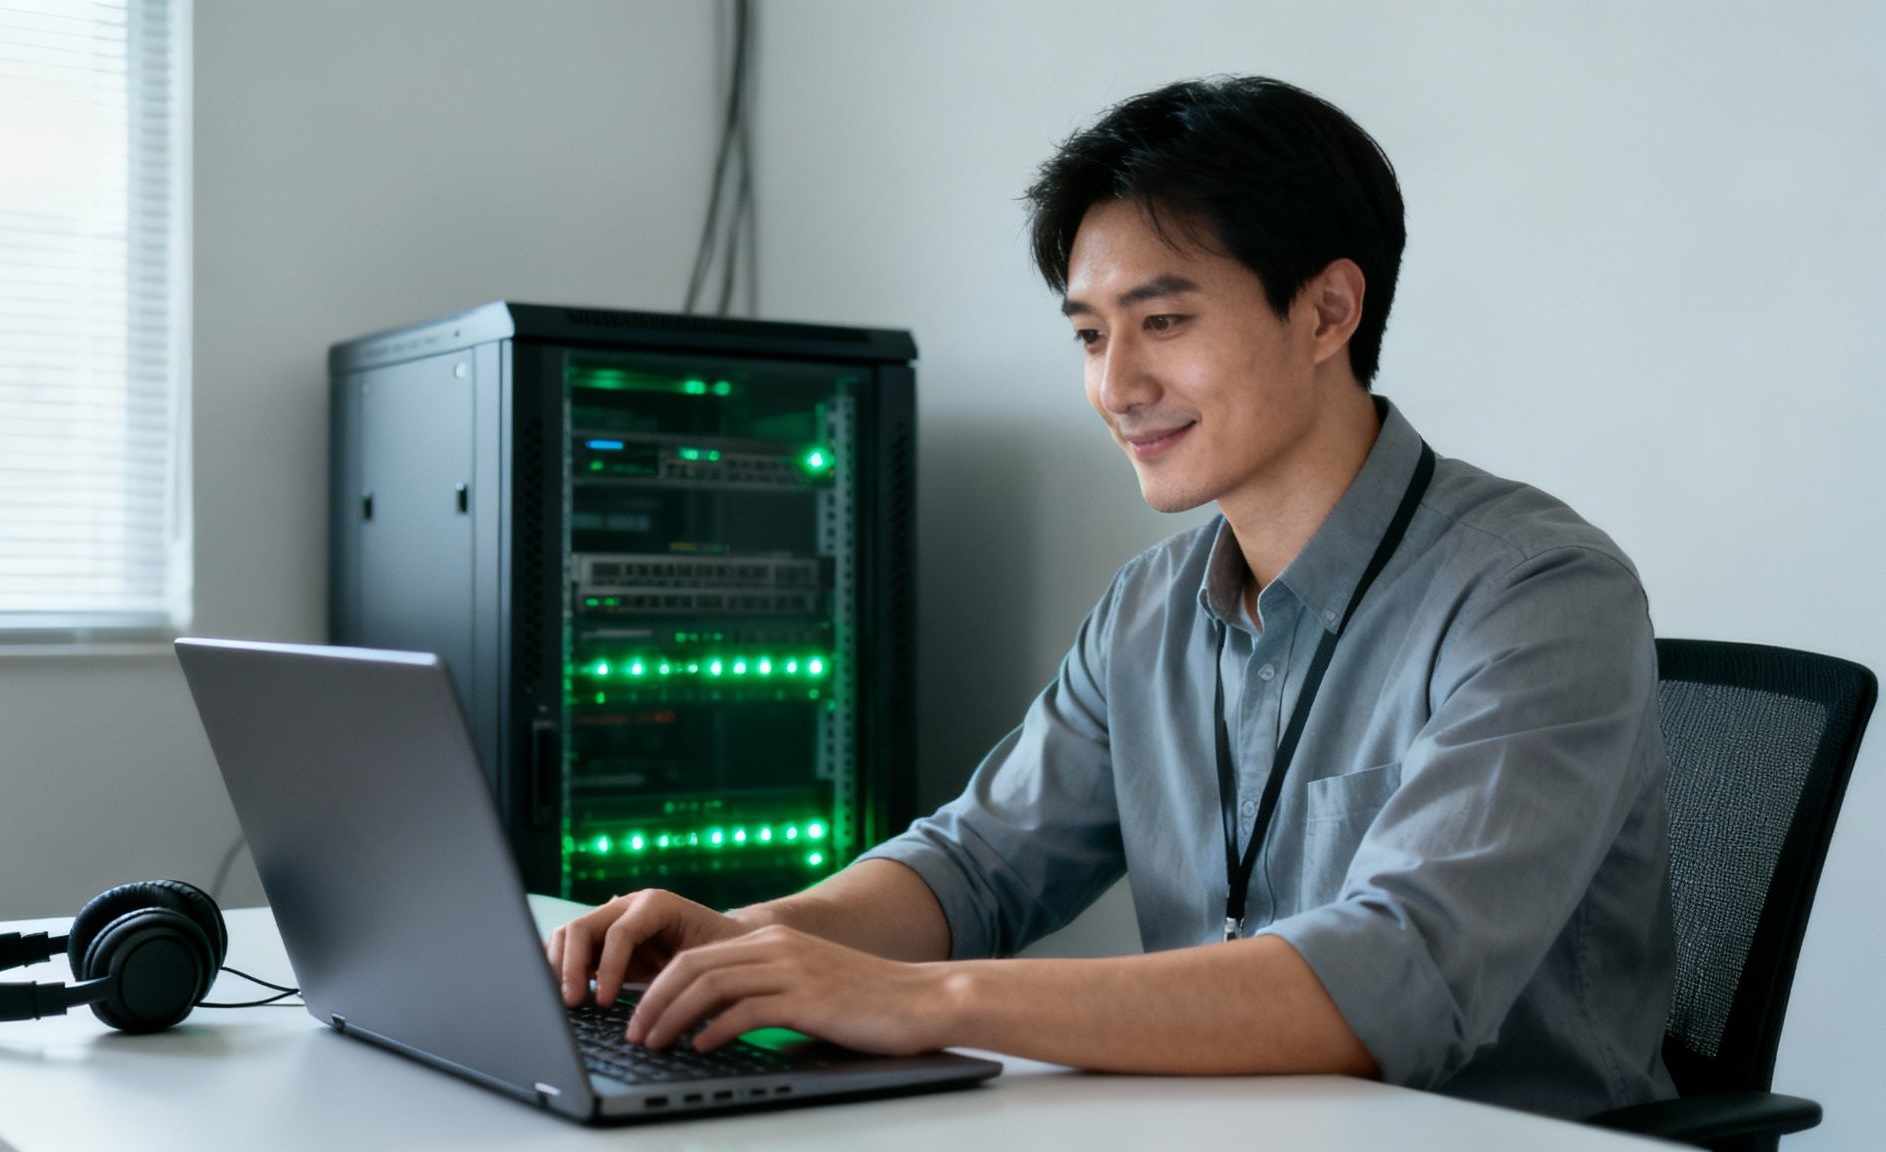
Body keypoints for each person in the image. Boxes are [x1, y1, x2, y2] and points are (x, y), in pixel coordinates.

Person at [548, 74, 1675, 1120]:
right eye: (1090, 335)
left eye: (1163, 322)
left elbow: (1394, 975)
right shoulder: (1149, 607)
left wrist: (923, 1001)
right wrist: (749, 942)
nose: (1115, 387)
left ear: (1328, 312)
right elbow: (976, 864)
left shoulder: (1536, 594)